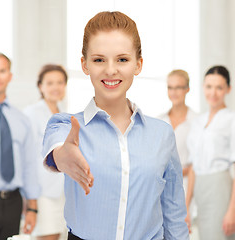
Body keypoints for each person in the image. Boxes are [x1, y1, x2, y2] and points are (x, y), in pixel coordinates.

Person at [41, 11, 189, 240]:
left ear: (138, 64)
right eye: (99, 59)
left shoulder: (162, 134)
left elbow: (174, 215)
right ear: (85, 64)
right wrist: (63, 157)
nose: (110, 70)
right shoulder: (66, 125)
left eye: (122, 59)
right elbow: (58, 151)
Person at [0, 52, 40, 240]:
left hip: (14, 202)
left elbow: (29, 164)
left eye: (2, 71)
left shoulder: (21, 119)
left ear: (10, 76)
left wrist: (32, 208)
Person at [186, 66, 235, 240]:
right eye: (209, 86)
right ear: (203, 87)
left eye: (219, 87)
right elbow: (193, 166)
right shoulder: (197, 122)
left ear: (228, 89)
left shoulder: (232, 120)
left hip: (221, 188)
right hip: (201, 190)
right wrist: (186, 206)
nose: (213, 93)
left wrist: (232, 209)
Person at [24, 64, 68, 240]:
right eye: (50, 83)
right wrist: (30, 200)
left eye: (60, 82)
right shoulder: (31, 113)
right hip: (43, 192)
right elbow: (27, 158)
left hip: (65, 192)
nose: (55, 87)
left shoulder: (66, 115)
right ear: (40, 86)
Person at [158, 70, 198, 232]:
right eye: (170, 87)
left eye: (179, 87)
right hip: (162, 188)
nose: (174, 92)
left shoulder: (197, 121)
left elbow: (196, 166)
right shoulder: (160, 121)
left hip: (188, 188)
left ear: (187, 89)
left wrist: (186, 207)